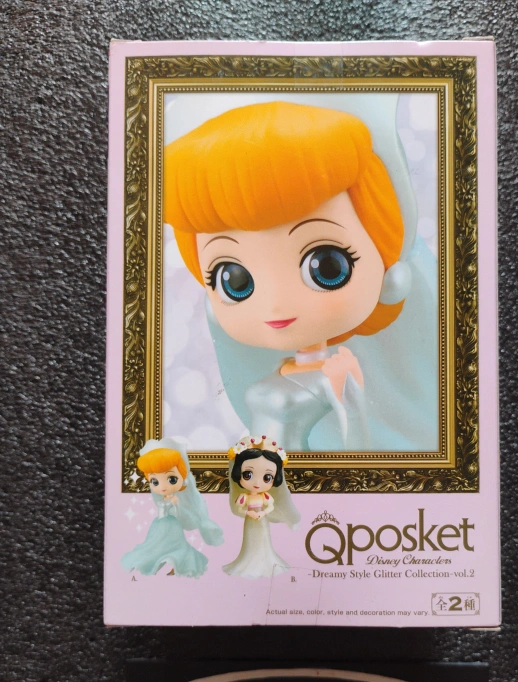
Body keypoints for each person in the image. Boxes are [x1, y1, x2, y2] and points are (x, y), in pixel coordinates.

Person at [165, 97, 438, 452]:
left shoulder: (338, 373)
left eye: (326, 266)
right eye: (234, 279)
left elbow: (358, 444)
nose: (275, 304)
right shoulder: (283, 367)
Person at [121, 438, 223, 577]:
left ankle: (177, 565)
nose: (162, 486)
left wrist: (177, 505)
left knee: (175, 546)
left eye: (171, 479)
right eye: (155, 481)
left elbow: (179, 512)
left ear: (183, 477)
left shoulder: (175, 499)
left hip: (172, 525)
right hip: (158, 524)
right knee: (155, 545)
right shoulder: (163, 498)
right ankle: (155, 563)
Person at [223, 435, 300, 579]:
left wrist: (263, 513)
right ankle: (248, 560)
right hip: (250, 520)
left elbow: (270, 507)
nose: (257, 483)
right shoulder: (244, 497)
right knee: (250, 541)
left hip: (262, 520)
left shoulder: (265, 496)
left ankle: (264, 560)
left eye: (267, 477)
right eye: (248, 474)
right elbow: (239, 508)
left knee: (263, 540)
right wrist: (248, 513)